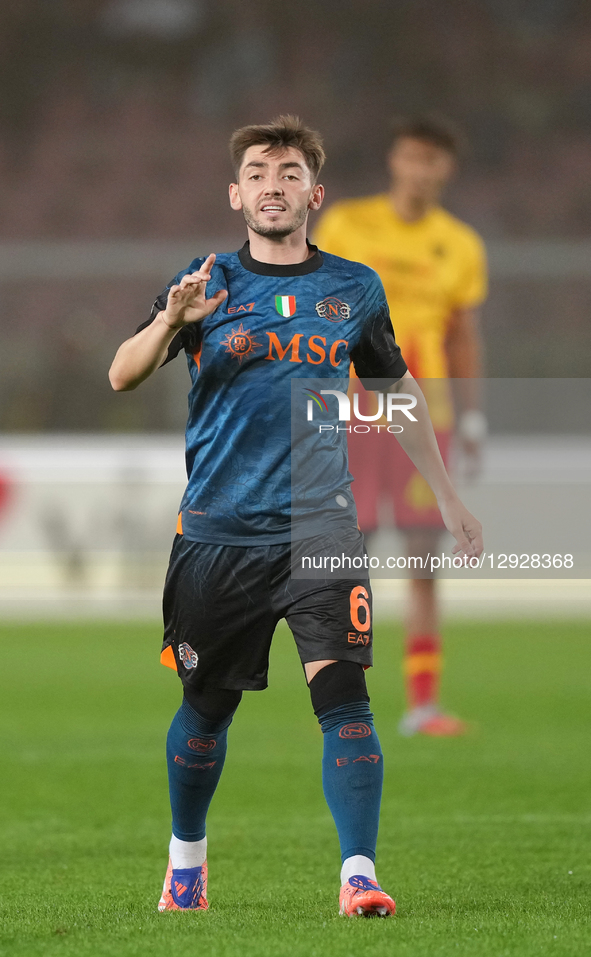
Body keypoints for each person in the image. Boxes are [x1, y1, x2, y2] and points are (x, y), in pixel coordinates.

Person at [109, 115, 482, 916]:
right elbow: (121, 373)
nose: (271, 185)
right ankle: (186, 860)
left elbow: (397, 393)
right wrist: (173, 320)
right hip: (218, 535)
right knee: (206, 709)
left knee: (344, 695)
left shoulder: (352, 289)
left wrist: (446, 492)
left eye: (287, 173)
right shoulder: (204, 280)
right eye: (257, 172)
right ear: (235, 192)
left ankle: (358, 873)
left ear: (314, 192)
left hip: (321, 528)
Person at [315, 115, 488, 737]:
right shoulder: (347, 226)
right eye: (413, 156)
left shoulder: (461, 244)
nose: (422, 168)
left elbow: (462, 333)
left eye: (433, 159)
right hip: (353, 411)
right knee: (342, 558)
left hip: (423, 415)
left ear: (447, 169)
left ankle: (422, 704)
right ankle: (338, 704)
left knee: (422, 563)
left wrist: (471, 417)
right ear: (395, 160)